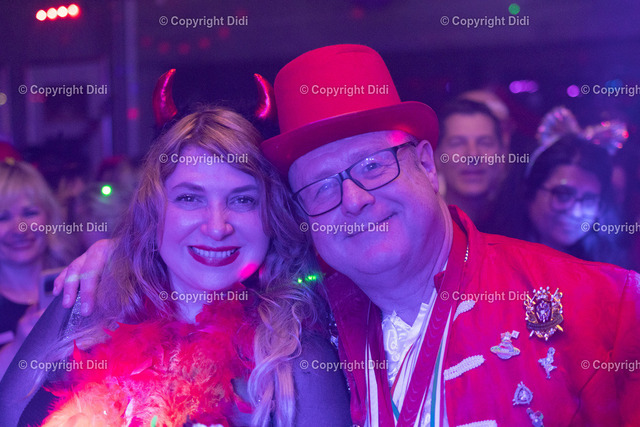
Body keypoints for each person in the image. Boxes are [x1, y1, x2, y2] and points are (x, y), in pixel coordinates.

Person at [50, 45, 640, 426]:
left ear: (427, 164)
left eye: (373, 166)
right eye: (321, 186)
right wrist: (120, 252)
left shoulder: (606, 305)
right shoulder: (317, 317)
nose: (353, 199)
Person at [0, 107, 350, 426]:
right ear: (154, 212)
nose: (217, 227)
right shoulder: (84, 306)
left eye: (243, 199)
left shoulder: (298, 361)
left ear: (270, 216)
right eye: (190, 198)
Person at [496, 106, 627, 265]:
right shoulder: (493, 258)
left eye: (589, 200)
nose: (576, 212)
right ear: (529, 190)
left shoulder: (610, 270)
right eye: (563, 195)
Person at [0, 159, 77, 379]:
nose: (19, 228)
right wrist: (20, 346)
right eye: (2, 217)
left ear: (49, 217)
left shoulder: (79, 284)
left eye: (30, 213)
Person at [435, 99, 507, 225]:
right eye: (457, 143)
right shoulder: (423, 225)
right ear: (435, 157)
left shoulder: (521, 225)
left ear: (502, 155)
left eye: (485, 143)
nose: (473, 155)